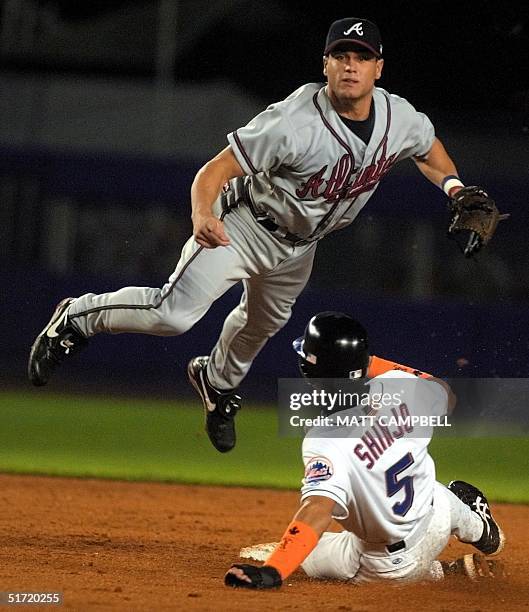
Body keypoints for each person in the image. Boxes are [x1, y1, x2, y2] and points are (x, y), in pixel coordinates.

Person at [29, 17, 481, 453]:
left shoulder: (398, 116)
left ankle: (217, 382)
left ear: (378, 68)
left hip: (300, 246)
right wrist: (202, 213)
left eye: (361, 58)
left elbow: (428, 148)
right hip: (246, 226)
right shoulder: (292, 121)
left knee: (261, 323)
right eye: (340, 55)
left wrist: (455, 187)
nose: (350, 65)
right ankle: (77, 316)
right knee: (173, 315)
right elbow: (215, 169)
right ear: (324, 64)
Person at [224, 312, 505, 588]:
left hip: (390, 566)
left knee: (294, 553)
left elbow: (318, 509)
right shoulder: (403, 387)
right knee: (437, 491)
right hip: (438, 515)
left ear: (308, 371)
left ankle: (434, 571)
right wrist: (365, 364)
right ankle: (481, 529)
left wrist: (274, 571)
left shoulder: (324, 441)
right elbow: (445, 393)